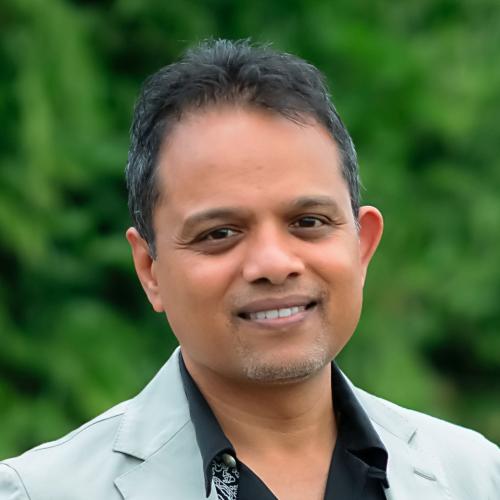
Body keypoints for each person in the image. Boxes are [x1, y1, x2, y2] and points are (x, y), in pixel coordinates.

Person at [0, 39, 498, 500]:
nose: (274, 264)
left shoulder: (476, 477)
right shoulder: (41, 492)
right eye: (220, 233)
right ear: (150, 269)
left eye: (308, 222)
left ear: (361, 246)